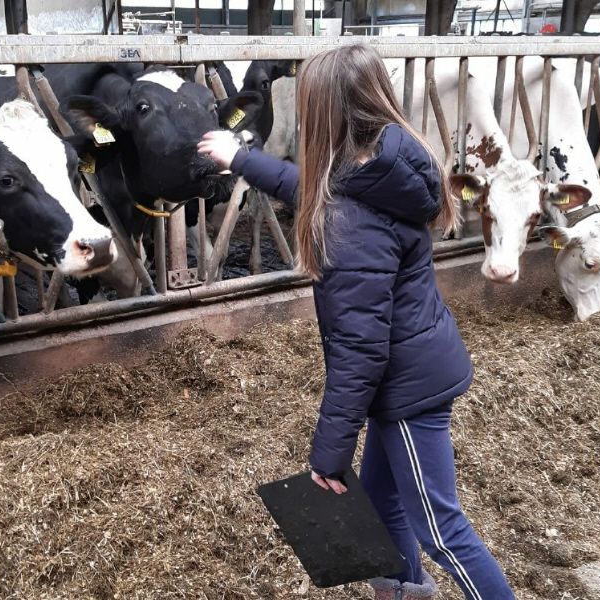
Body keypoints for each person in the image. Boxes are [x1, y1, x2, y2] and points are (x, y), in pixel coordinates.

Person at [197, 44, 516, 600]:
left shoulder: (348, 222)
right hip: (417, 365)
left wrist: (329, 453)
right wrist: (242, 159)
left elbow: (359, 350)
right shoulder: (388, 166)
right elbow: (317, 190)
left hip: (406, 389)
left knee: (442, 530)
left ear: (322, 114)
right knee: (382, 501)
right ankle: (399, 592)